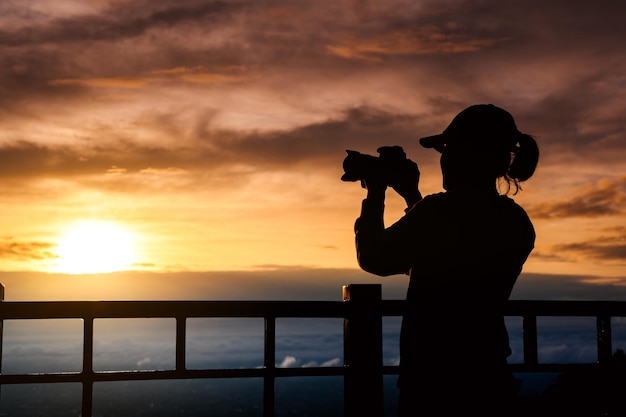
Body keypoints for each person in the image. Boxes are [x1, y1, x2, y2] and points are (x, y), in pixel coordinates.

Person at [353, 104, 539, 416]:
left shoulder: (438, 212)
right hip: (487, 370)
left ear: (464, 154)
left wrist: (375, 193)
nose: (443, 157)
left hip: (433, 376)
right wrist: (413, 196)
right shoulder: (515, 220)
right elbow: (441, 251)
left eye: (446, 148)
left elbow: (376, 258)